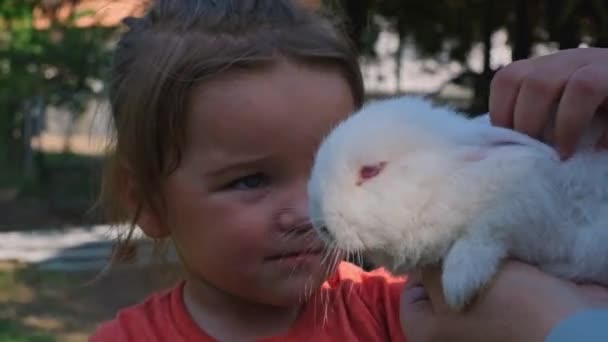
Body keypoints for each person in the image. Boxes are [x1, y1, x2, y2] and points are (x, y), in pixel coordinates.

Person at [90, 0, 608, 340]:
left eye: (325, 169)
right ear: (147, 202)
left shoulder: (413, 309)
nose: (306, 210)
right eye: (251, 180)